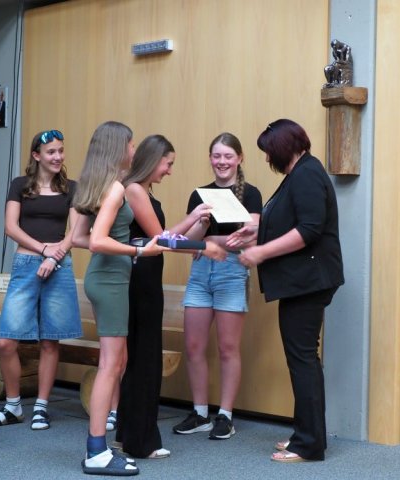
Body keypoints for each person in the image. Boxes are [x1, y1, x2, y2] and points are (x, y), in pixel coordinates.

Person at [227, 119, 344, 463]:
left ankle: (309, 444)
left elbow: (308, 229)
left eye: (268, 152)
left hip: (308, 282)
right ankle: (306, 434)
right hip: (302, 282)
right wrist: (256, 231)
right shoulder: (300, 173)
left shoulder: (306, 174)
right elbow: (288, 219)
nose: (267, 159)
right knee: (302, 359)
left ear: (282, 148)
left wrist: (261, 251)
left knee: (303, 359)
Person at [117, 135, 226, 459]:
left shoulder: (144, 190)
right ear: (154, 160)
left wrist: (197, 224)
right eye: (168, 163)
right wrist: (202, 238)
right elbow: (161, 239)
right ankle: (141, 441)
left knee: (141, 357)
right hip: (140, 279)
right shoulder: (134, 189)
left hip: (147, 277)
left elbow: (169, 239)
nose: (169, 170)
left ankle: (128, 434)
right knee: (145, 358)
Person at [71, 121, 165, 476]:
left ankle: (99, 446)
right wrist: (138, 250)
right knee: (111, 365)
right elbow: (96, 241)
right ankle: (96, 450)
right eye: (130, 144)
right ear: (118, 147)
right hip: (109, 281)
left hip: (106, 277)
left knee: (116, 362)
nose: (133, 150)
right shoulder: (114, 188)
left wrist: (127, 246)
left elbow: (79, 237)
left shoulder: (99, 184)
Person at [0, 129, 81, 431]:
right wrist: (42, 250)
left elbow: (75, 232)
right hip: (26, 264)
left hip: (59, 266)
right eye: (51, 152)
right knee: (5, 341)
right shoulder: (20, 185)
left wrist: (54, 257)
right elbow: (10, 227)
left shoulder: (72, 188)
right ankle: (13, 405)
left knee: (50, 341)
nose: (58, 156)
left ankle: (41, 407)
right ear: (36, 155)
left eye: (61, 151)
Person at [172, 132, 262, 440]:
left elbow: (250, 239)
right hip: (200, 273)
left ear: (239, 158)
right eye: (216, 156)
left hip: (231, 272)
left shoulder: (251, 194)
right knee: (194, 346)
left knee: (227, 348)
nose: (221, 162)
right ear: (210, 158)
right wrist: (203, 226)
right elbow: (189, 242)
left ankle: (225, 415)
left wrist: (211, 239)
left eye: (227, 156)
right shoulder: (200, 195)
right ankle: (200, 413)